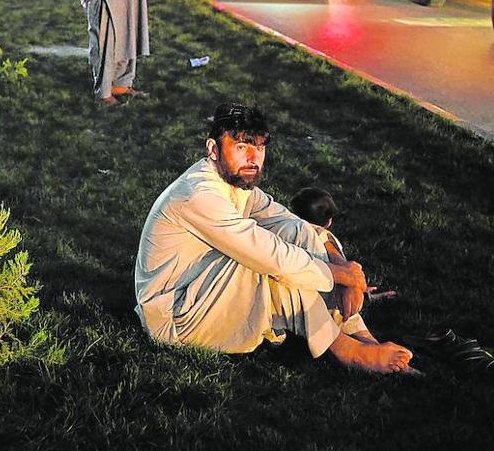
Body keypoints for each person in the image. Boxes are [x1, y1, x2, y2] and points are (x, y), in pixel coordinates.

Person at [134, 103, 414, 374]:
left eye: (259, 147)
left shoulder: (234, 180)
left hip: (201, 291)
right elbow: (270, 255)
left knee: (294, 234)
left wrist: (342, 266)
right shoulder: (199, 194)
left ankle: (356, 330)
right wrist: (342, 276)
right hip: (176, 318)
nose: (252, 159)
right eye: (241, 147)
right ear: (213, 149)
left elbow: (292, 223)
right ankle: (346, 350)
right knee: (266, 262)